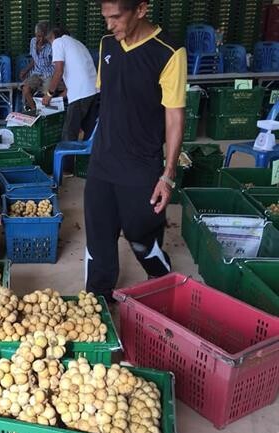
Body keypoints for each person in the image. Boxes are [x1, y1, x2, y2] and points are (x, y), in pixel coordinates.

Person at [84, 0, 187, 300]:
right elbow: (110, 98)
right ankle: (98, 302)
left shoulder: (168, 51)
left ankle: (161, 282)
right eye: (105, 18)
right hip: (102, 163)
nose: (109, 25)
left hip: (141, 166)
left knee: (142, 238)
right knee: (98, 239)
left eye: (116, 17)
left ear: (141, 10)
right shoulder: (107, 45)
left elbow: (174, 116)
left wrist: (167, 174)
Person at [42, 27, 99, 141]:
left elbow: (58, 72)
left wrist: (49, 94)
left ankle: (66, 159)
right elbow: (80, 72)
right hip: (94, 91)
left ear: (53, 37)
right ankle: (86, 158)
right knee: (89, 132)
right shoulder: (78, 43)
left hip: (80, 94)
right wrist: (63, 94)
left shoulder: (58, 42)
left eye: (49, 41)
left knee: (69, 134)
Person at [19, 21, 56, 111]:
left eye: (43, 36)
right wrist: (26, 70)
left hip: (48, 74)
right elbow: (34, 60)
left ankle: (45, 113)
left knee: (47, 96)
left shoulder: (52, 45)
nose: (41, 39)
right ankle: (34, 110)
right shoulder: (33, 42)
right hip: (36, 73)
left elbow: (56, 64)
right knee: (25, 89)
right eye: (38, 36)